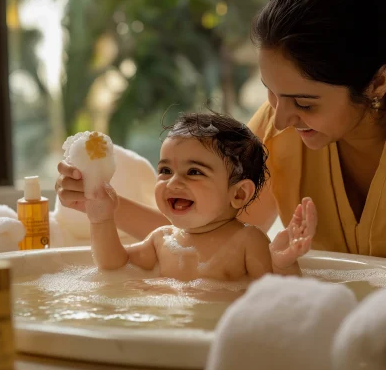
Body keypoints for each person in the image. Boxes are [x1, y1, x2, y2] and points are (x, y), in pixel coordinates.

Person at [56, 0, 386, 262]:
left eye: (304, 103)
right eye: (271, 91)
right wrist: (97, 201)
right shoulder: (277, 127)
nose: (282, 119)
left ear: (378, 82)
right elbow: (207, 235)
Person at [82, 112, 316, 280]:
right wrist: (101, 219)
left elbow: (274, 297)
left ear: (239, 193)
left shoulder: (247, 241)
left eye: (194, 172)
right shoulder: (162, 240)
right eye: (165, 170)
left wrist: (283, 264)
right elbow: (112, 265)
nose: (173, 182)